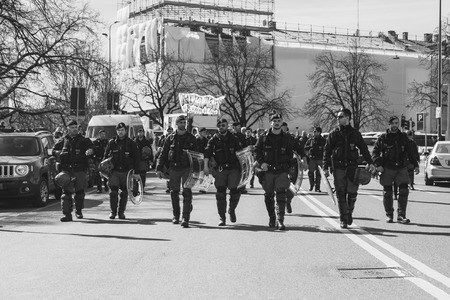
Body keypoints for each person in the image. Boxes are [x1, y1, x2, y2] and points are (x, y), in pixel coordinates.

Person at [323, 108, 374, 229]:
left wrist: (370, 162)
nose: (338, 119)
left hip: (352, 167)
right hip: (338, 168)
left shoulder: (355, 134)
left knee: (352, 193)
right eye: (337, 117)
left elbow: (364, 149)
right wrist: (325, 167)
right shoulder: (333, 134)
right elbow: (327, 151)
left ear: (348, 118)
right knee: (340, 193)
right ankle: (343, 219)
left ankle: (349, 212)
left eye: (341, 117)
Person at [254, 113, 306, 230]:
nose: (277, 122)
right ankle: (272, 218)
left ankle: (280, 220)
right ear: (271, 122)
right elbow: (257, 152)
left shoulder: (288, 138)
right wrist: (262, 163)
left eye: (279, 120)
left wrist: (304, 159)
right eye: (274, 121)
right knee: (269, 195)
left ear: (282, 122)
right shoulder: (263, 137)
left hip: (282, 170)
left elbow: (300, 149)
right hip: (268, 171)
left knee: (281, 194)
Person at [372, 117, 420, 224]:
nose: (395, 125)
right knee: (387, 192)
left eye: (396, 123)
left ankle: (401, 215)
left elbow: (411, 152)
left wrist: (416, 165)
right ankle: (389, 214)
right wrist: (378, 165)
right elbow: (375, 153)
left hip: (401, 167)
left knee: (404, 190)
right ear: (389, 124)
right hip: (387, 168)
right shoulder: (383, 138)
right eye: (393, 123)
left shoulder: (403, 137)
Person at [156, 115, 198, 228]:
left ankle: (185, 218)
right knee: (174, 193)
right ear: (176, 124)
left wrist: (198, 171)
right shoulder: (170, 138)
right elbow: (163, 154)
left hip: (186, 168)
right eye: (180, 122)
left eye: (184, 122)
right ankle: (176, 216)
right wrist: (159, 168)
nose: (183, 124)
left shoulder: (191, 138)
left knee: (186, 192)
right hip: (174, 168)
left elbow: (197, 155)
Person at [204, 118, 243, 226]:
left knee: (235, 192)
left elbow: (240, 153)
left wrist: (244, 169)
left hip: (233, 169)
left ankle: (232, 209)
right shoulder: (213, 139)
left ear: (227, 126)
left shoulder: (234, 138)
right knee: (220, 193)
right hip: (220, 169)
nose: (221, 127)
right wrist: (206, 166)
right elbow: (207, 152)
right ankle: (222, 217)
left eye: (223, 125)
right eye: (220, 125)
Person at [53, 120, 94, 222]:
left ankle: (79, 211)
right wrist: (58, 153)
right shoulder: (63, 140)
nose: (75, 129)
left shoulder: (83, 140)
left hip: (79, 170)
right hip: (67, 171)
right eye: (72, 127)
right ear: (68, 128)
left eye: (76, 127)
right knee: (66, 193)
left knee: (79, 193)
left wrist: (90, 151)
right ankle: (67, 214)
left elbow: (92, 148)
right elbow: (53, 150)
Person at [103, 122, 140, 220]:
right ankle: (113, 212)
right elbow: (105, 156)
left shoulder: (131, 143)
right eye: (118, 130)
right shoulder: (111, 143)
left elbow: (136, 158)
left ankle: (121, 212)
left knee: (124, 193)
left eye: (122, 130)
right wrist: (104, 170)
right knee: (113, 193)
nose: (120, 132)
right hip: (114, 171)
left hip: (126, 172)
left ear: (126, 131)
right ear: (116, 131)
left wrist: (136, 172)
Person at [304, 127, 326, 192]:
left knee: (319, 173)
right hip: (312, 158)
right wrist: (310, 147)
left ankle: (317, 187)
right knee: (310, 172)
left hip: (319, 158)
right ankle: (311, 185)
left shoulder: (323, 140)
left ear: (319, 132)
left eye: (316, 131)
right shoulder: (311, 139)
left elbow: (326, 148)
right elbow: (305, 147)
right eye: (314, 131)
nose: (315, 133)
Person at [156, 127, 173, 193]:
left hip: (171, 159)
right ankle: (169, 187)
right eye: (169, 131)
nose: (170, 132)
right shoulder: (163, 139)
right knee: (167, 174)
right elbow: (159, 149)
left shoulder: (173, 138)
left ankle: (171, 187)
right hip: (165, 159)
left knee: (172, 174)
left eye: (171, 131)